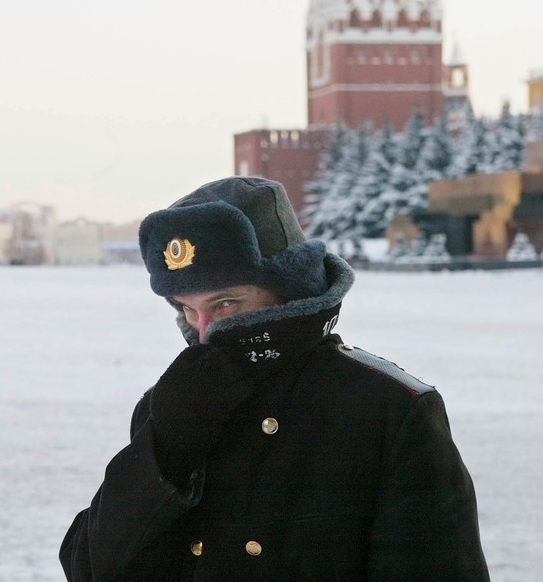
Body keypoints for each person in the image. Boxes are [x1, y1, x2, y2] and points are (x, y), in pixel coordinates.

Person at [59, 176, 489, 581]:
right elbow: (88, 569)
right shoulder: (170, 406)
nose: (205, 332)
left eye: (225, 303)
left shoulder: (390, 411)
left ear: (291, 288)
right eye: (188, 309)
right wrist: (163, 453)